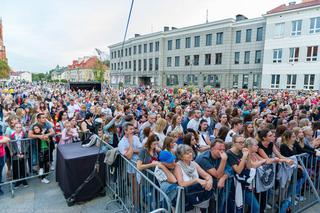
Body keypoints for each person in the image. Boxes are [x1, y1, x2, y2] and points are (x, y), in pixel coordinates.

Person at [173, 144, 213, 212]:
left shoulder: (194, 163)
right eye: (186, 153)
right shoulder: (178, 165)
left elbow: (207, 176)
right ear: (181, 156)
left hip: (196, 195)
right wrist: (196, 180)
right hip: (184, 198)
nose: (190, 154)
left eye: (190, 152)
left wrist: (209, 181)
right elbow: (181, 183)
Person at [227, 135, 260, 213]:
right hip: (235, 186)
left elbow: (249, 167)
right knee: (238, 209)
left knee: (256, 207)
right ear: (234, 143)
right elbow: (238, 170)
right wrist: (244, 156)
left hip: (244, 185)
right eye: (240, 142)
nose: (242, 144)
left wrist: (247, 155)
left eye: (243, 142)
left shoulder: (242, 151)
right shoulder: (229, 153)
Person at [196, 139, 229, 213]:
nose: (222, 151)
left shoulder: (221, 156)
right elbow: (217, 175)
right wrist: (223, 160)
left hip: (214, 189)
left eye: (223, 149)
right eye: (219, 149)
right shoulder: (203, 158)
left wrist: (223, 178)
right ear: (211, 149)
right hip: (202, 191)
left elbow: (229, 170)